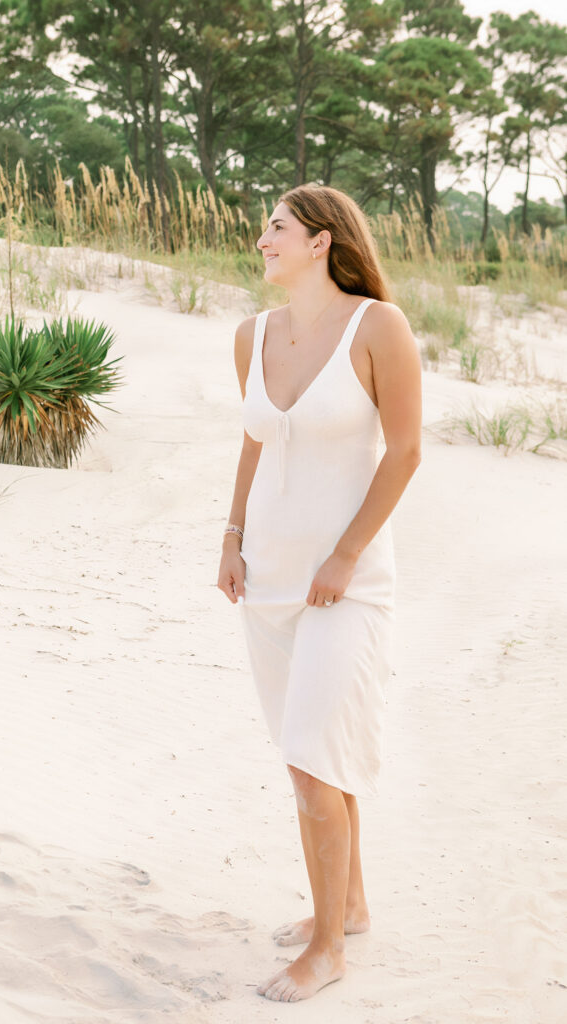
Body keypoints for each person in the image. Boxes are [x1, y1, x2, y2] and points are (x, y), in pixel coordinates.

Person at [217, 184, 422, 1003]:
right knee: (316, 760)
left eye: (276, 226)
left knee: (309, 763)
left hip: (345, 585)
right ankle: (353, 904)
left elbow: (403, 452)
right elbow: (252, 440)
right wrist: (229, 538)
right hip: (266, 581)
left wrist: (344, 555)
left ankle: (328, 947)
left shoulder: (379, 327)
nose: (262, 237)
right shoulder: (250, 335)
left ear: (320, 242)